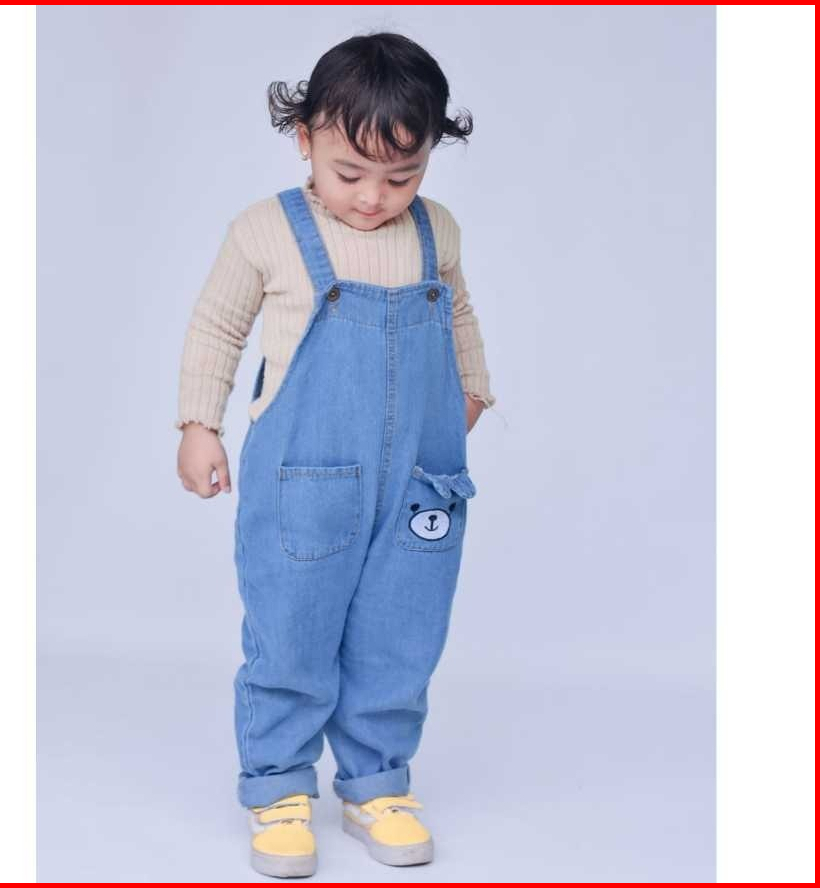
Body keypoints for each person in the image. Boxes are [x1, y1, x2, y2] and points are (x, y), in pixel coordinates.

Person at [175, 31, 496, 879]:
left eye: (402, 176)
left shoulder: (436, 231)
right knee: (291, 632)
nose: (373, 198)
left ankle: (376, 783)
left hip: (419, 479)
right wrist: (199, 423)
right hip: (304, 480)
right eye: (349, 173)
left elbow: (458, 314)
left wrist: (472, 391)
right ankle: (279, 787)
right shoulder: (267, 230)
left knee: (402, 634)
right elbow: (217, 325)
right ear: (305, 137)